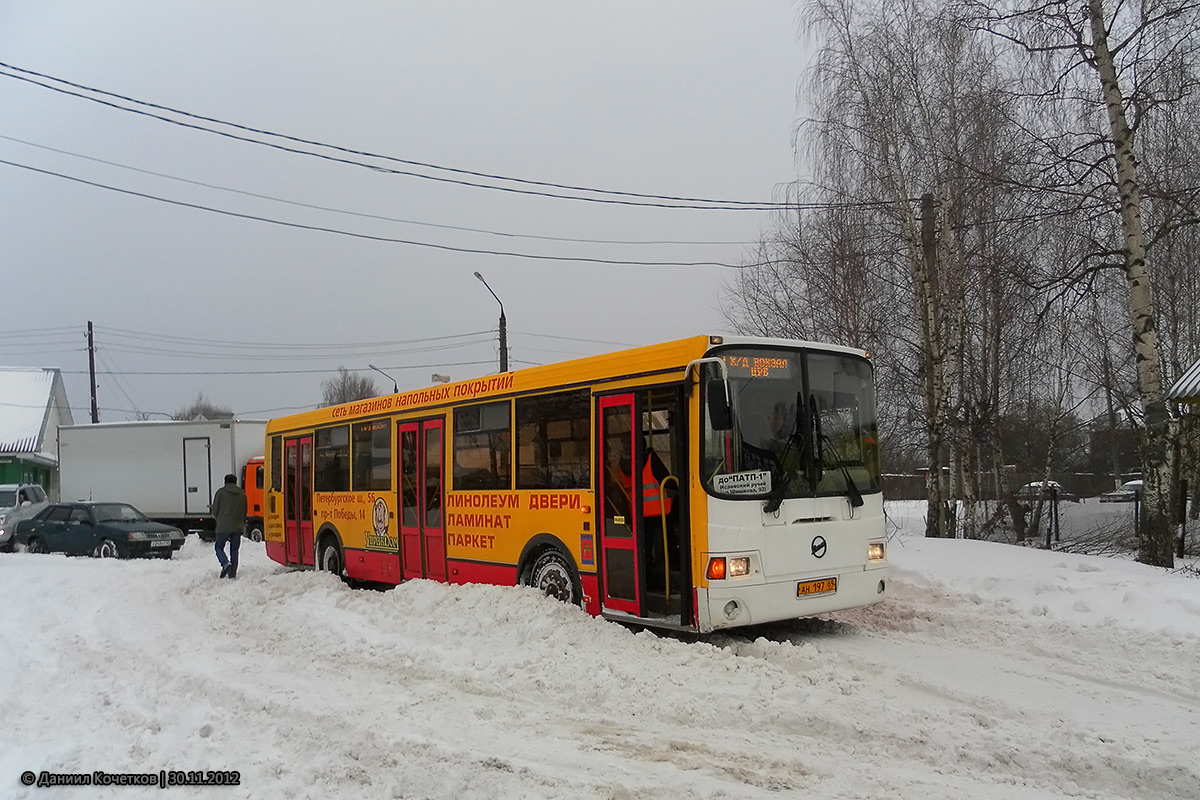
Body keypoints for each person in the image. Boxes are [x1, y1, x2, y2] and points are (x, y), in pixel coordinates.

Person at [211, 473, 247, 579]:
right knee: (234, 550)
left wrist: (220, 520)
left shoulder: (221, 493)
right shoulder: (242, 494)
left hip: (223, 527)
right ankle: (233, 573)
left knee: (218, 547)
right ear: (236, 482)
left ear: (225, 482)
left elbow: (215, 510)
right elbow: (244, 511)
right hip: (237, 526)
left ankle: (226, 564)